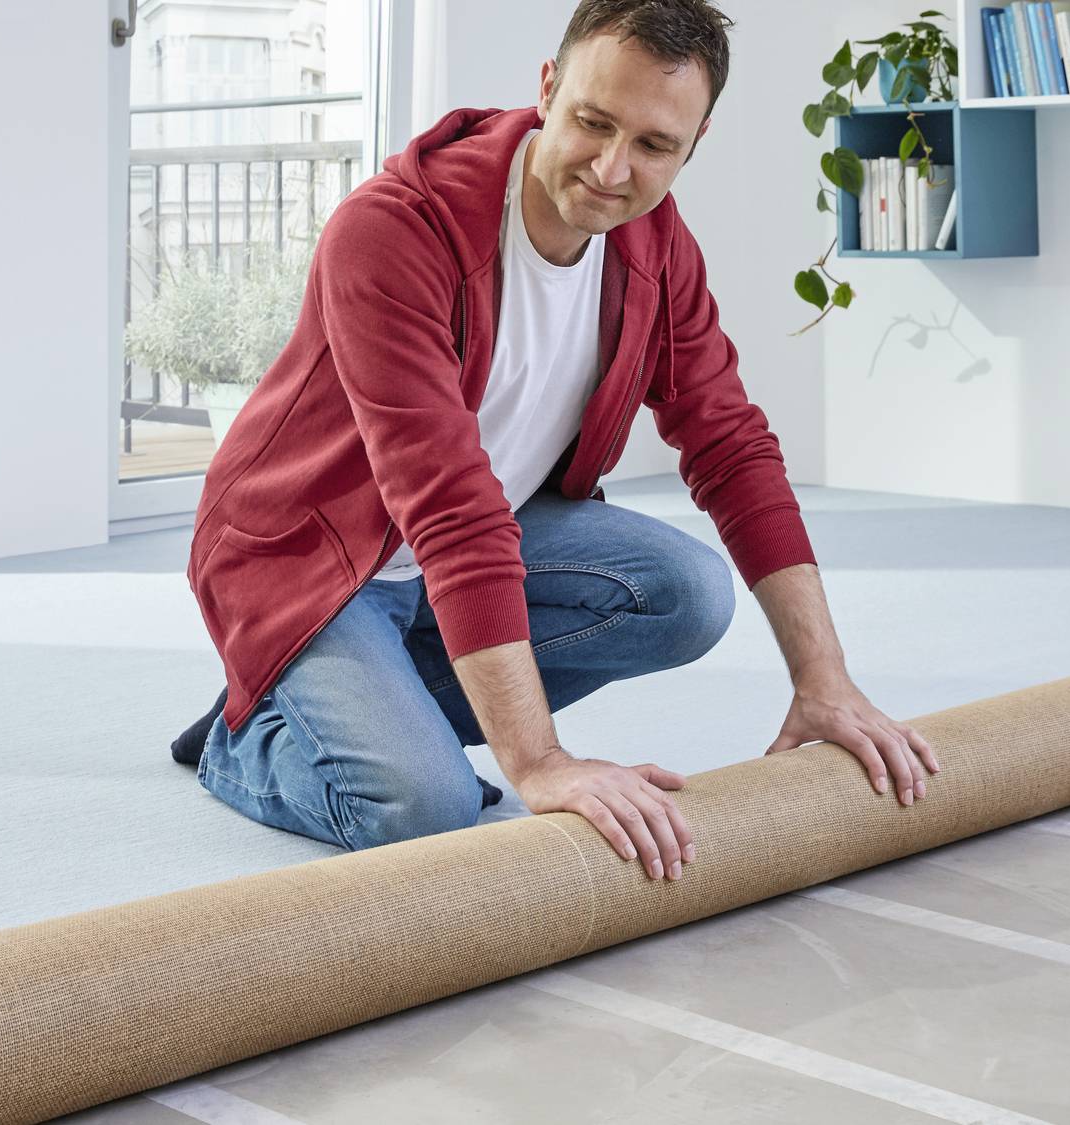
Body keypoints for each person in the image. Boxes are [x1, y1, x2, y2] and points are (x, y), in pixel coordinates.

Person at [175, 0, 940, 878]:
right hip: (313, 558)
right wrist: (538, 762)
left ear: (694, 144)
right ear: (548, 88)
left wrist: (825, 680)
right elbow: (450, 508)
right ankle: (245, 735)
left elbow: (731, 445)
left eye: (655, 146)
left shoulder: (653, 247)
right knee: (426, 807)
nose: (614, 169)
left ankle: (365, 707)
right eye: (593, 122)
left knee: (687, 592)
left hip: (469, 542)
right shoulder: (392, 232)